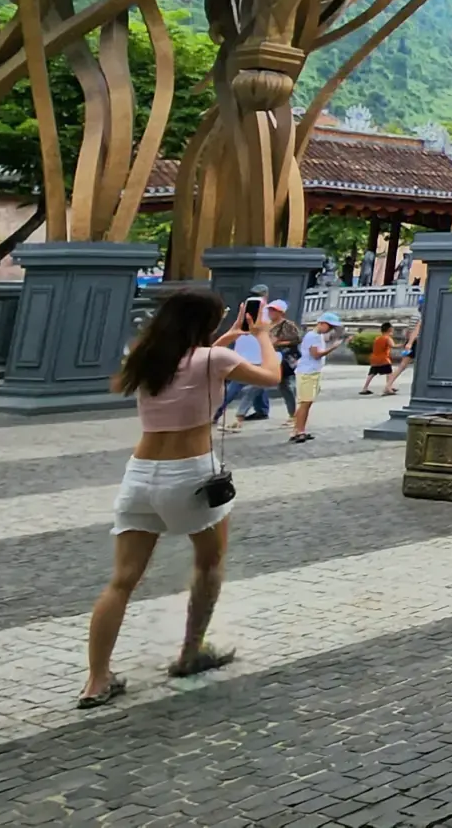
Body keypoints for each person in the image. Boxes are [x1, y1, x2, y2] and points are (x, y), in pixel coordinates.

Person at [79, 287, 281, 707]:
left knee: (122, 580)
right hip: (190, 474)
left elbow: (195, 364)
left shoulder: (146, 356)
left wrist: (228, 336)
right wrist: (262, 334)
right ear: (203, 322)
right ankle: (191, 651)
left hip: (140, 475)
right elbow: (271, 376)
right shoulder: (214, 359)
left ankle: (97, 680)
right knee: (209, 562)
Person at [288, 312, 347, 443]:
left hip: (312, 371)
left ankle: (297, 429)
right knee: (305, 403)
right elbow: (316, 354)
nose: (330, 329)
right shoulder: (312, 336)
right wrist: (333, 348)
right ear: (322, 323)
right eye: (329, 326)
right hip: (307, 372)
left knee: (306, 403)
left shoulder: (317, 336)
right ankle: (299, 431)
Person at [211, 297, 271, 426]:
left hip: (253, 360)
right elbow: (273, 377)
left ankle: (261, 411)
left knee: (255, 390)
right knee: (234, 391)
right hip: (244, 360)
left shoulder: (264, 327)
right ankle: (218, 414)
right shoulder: (259, 329)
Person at [359, 321, 398, 396]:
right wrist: (403, 345)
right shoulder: (387, 338)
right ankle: (388, 388)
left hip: (375, 358)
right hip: (384, 359)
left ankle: (365, 388)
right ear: (389, 329)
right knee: (389, 373)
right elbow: (393, 346)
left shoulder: (378, 338)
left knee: (372, 374)